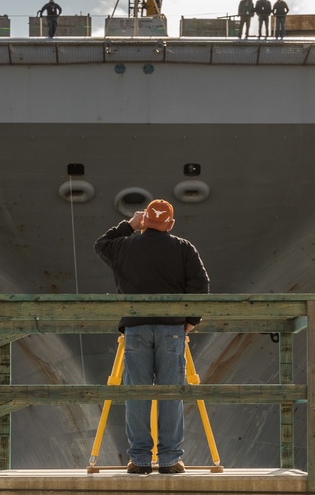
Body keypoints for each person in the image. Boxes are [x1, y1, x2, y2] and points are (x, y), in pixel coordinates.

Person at [94, 198, 211, 476]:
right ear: (170, 223)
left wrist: (128, 225)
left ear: (144, 221)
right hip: (172, 329)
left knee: (137, 394)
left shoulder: (123, 246)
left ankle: (140, 460)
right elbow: (200, 284)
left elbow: (101, 245)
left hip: (135, 329)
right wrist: (191, 321)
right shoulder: (183, 248)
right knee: (171, 393)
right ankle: (170, 460)